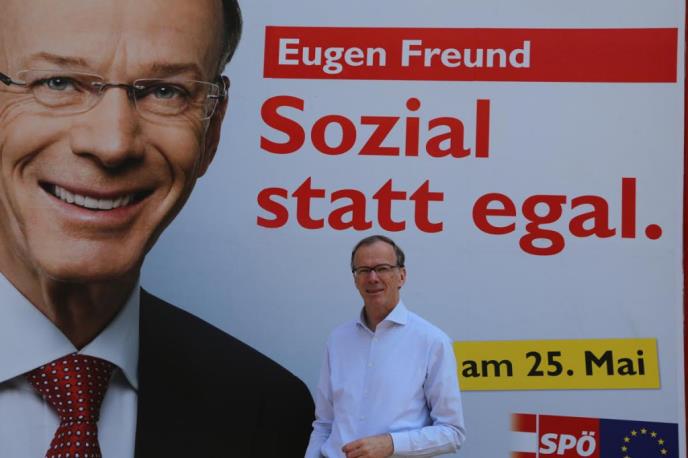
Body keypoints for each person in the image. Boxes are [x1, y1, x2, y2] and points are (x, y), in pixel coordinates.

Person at [0, 0, 314, 457]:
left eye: (166, 92)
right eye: (58, 82)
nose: (113, 144)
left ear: (213, 128)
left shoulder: (264, 409)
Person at [305, 235, 466, 458]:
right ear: (355, 280)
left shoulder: (432, 341)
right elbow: (324, 423)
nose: (373, 278)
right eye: (364, 270)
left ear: (401, 276)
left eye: (382, 268)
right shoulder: (338, 339)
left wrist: (391, 444)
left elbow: (452, 432)